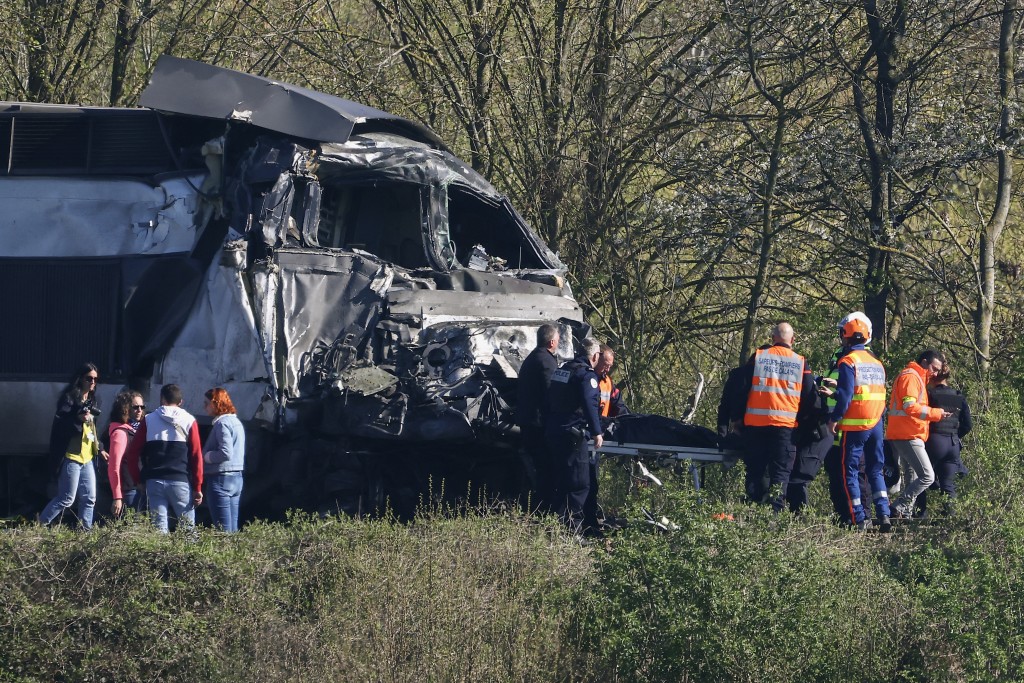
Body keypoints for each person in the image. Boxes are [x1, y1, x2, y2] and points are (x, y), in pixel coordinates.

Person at [733, 322, 816, 511]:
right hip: (785, 428)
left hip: (756, 425)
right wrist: (804, 421)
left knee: (755, 470)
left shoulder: (759, 357)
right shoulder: (800, 362)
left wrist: (736, 419)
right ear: (792, 340)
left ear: (772, 339)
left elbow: (741, 390)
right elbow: (810, 397)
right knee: (780, 473)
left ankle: (754, 511)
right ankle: (774, 515)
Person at [827, 316, 891, 530]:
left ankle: (859, 518)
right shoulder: (876, 363)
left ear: (846, 336)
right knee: (875, 470)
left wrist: (834, 419)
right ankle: (884, 514)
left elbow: (846, 396)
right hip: (876, 424)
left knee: (850, 472)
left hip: (855, 426)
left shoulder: (848, 361)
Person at [125, 384, 204, 533]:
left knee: (159, 530)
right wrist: (198, 486)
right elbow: (196, 455)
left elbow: (133, 453)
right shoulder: (189, 420)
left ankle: (160, 556)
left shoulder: (148, 420)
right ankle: (189, 556)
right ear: (180, 402)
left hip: (154, 481)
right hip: (180, 480)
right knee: (188, 530)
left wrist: (138, 480)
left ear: (161, 399)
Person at [545, 337, 604, 535]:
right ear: (595, 356)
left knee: (561, 480)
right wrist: (597, 432)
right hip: (573, 434)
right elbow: (590, 403)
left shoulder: (561, 370)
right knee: (580, 483)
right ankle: (572, 532)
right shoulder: (587, 376)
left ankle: (557, 528)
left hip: (554, 430)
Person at [39, 363, 107, 529]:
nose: (92, 382)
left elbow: (93, 429)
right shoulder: (69, 398)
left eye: (95, 379)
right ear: (80, 379)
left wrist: (101, 448)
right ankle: (40, 525)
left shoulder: (93, 401)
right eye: (89, 378)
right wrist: (77, 418)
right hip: (70, 456)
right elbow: (60, 426)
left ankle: (86, 533)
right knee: (66, 498)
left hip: (88, 457)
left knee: (90, 498)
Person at [885, 349, 949, 519]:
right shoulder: (911, 377)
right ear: (925, 362)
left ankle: (904, 514)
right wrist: (936, 414)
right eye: (934, 368)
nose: (935, 373)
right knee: (928, 476)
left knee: (912, 475)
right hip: (907, 435)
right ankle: (898, 507)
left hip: (909, 433)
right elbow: (909, 407)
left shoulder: (917, 378)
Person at [516, 323, 561, 511]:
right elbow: (552, 393)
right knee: (546, 468)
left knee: (539, 467)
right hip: (539, 425)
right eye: (558, 339)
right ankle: (545, 508)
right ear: (552, 341)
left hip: (528, 422)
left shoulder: (532, 358)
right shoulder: (546, 362)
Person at [920, 361, 972, 516]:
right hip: (952, 444)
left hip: (934, 442)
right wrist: (955, 435)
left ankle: (919, 515)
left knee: (921, 478)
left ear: (934, 377)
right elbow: (968, 425)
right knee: (948, 486)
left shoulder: (930, 396)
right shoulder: (959, 396)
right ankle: (950, 521)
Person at [203, 387, 246, 532]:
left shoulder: (222, 424)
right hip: (236, 478)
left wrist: (207, 457)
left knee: (223, 529)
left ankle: (225, 553)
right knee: (232, 528)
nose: (204, 407)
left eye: (207, 403)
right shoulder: (236, 423)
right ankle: (235, 554)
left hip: (221, 478)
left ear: (215, 403)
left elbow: (225, 452)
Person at [107, 390, 145, 518]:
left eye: (142, 406)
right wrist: (117, 496)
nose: (139, 410)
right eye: (135, 407)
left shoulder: (136, 429)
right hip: (128, 490)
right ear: (125, 409)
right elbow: (114, 467)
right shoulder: (121, 432)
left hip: (137, 487)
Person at [595, 344, 629, 418]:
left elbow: (619, 406)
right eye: (606, 365)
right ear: (596, 359)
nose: (608, 369)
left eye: (610, 366)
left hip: (601, 426)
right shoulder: (585, 378)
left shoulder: (607, 382)